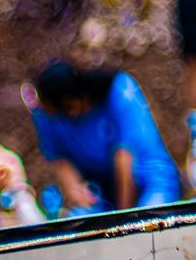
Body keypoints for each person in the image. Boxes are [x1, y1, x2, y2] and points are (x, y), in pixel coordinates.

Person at [29, 61, 181, 211]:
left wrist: (123, 219)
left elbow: (124, 158)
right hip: (101, 191)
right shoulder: (45, 115)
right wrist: (74, 190)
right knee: (77, 219)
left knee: (149, 219)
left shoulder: (118, 90)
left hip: (148, 179)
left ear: (71, 104)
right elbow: (60, 158)